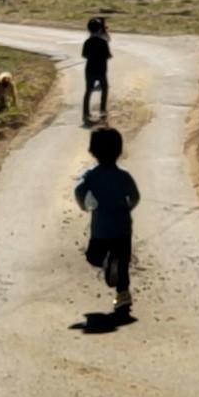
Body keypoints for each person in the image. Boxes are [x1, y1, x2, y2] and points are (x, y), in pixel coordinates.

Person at [75, 126, 140, 313]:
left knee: (93, 256)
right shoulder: (124, 176)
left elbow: (79, 191)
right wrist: (128, 209)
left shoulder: (91, 176)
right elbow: (135, 196)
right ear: (119, 151)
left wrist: (84, 206)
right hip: (123, 226)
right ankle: (123, 294)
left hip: (101, 227)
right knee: (123, 261)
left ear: (93, 152)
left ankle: (106, 262)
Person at [82, 18, 112, 124]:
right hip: (101, 70)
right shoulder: (103, 42)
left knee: (88, 91)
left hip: (89, 70)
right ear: (99, 29)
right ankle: (102, 110)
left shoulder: (87, 42)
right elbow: (108, 55)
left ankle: (85, 113)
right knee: (104, 89)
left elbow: (84, 55)